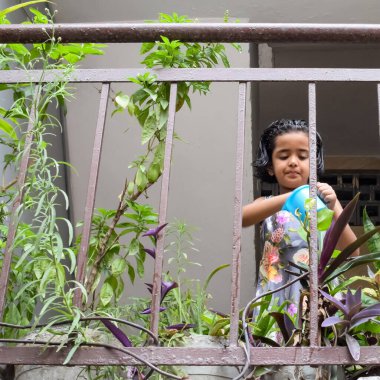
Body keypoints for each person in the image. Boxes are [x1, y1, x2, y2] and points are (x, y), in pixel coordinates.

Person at [243, 119, 356, 379]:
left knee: (321, 363)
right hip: (279, 295)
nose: (293, 162)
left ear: (313, 163)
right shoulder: (268, 203)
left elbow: (352, 250)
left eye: (302, 156)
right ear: (270, 166)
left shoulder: (324, 204)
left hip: (320, 298)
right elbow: (243, 218)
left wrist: (335, 203)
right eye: (284, 156)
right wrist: (293, 196)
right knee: (275, 365)